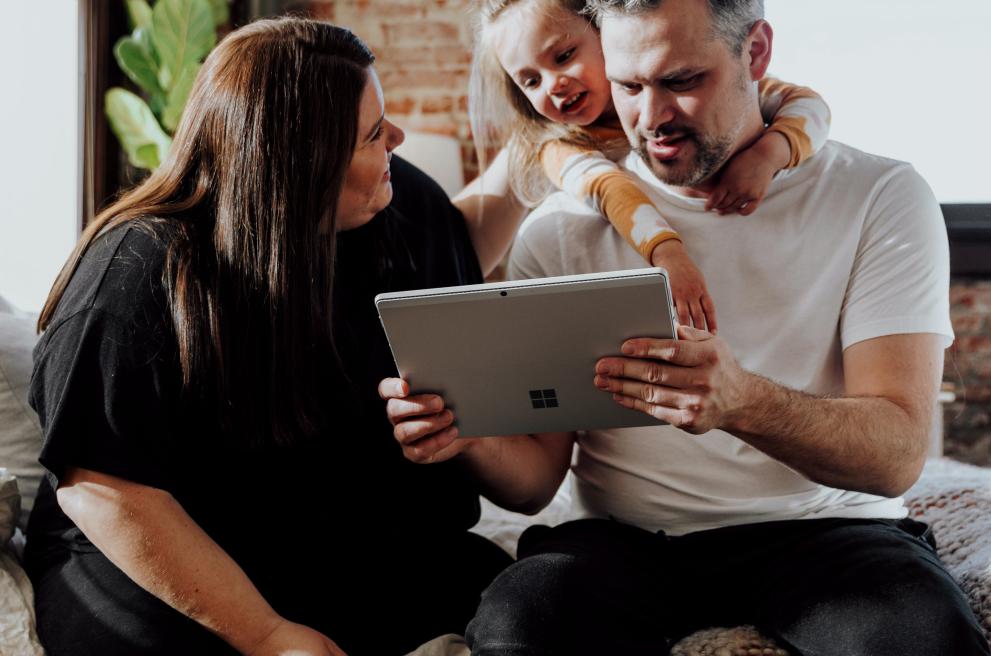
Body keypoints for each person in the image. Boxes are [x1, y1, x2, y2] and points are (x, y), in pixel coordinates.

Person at [382, 0, 991, 654]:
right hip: (621, 539)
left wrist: (742, 402)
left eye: (680, 82)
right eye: (627, 86)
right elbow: (533, 488)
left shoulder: (878, 195)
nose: (650, 118)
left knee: (922, 637)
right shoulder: (560, 229)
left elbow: (895, 457)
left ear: (755, 53)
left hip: (832, 530)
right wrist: (463, 436)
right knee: (519, 623)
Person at [24, 17, 547, 656]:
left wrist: (552, 140)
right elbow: (104, 490)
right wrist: (268, 635)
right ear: (300, 169)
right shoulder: (134, 271)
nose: (398, 140)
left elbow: (459, 248)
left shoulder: (394, 201)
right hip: (165, 549)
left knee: (542, 606)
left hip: (328, 540)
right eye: (373, 133)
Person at [469, 0, 831, 330]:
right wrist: (668, 255)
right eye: (531, 80)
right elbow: (611, 190)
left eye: (564, 56)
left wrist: (768, 154)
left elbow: (808, 104)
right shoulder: (559, 147)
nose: (554, 85)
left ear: (603, 33)